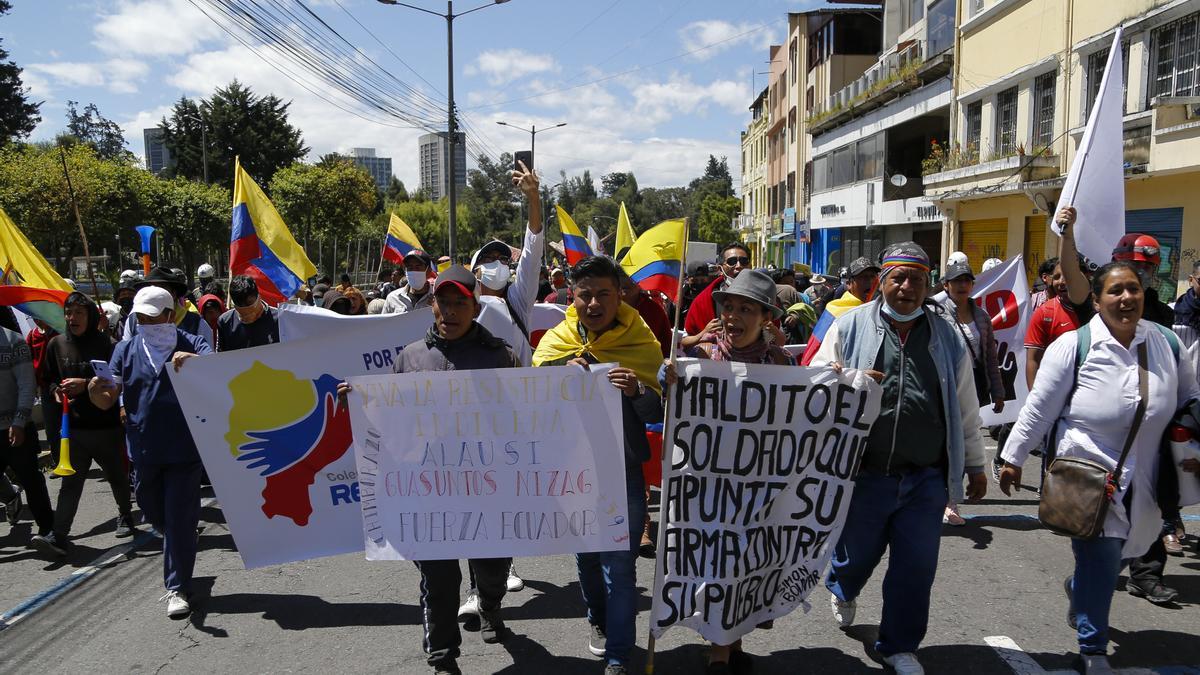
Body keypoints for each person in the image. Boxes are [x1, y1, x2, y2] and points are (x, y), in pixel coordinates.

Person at [999, 261, 1199, 674]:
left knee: (1136, 545)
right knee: (1102, 557)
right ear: (1096, 300)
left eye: (1133, 289)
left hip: (1150, 476)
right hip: (1091, 474)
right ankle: (1092, 648)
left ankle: (1081, 589)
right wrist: (1013, 457)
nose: (1126, 298)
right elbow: (1039, 409)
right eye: (1115, 291)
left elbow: (1189, 398)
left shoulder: (1166, 342)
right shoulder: (1074, 346)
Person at [811, 241, 987, 675]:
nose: (907, 288)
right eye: (898, 278)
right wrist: (840, 381)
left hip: (926, 478)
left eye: (918, 280)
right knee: (856, 557)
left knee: (916, 567)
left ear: (929, 285)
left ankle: (898, 645)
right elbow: (814, 383)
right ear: (881, 282)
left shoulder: (946, 336)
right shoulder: (848, 326)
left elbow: (964, 405)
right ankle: (842, 584)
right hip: (864, 475)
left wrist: (977, 464)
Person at [340, 265, 519, 675]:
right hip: (428, 491)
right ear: (432, 305)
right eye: (444, 302)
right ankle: (442, 658)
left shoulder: (499, 356)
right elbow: (391, 418)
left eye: (461, 303)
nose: (451, 312)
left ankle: (489, 605)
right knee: (438, 582)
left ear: (475, 307)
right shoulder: (410, 357)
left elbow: (523, 418)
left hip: (485, 487)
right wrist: (365, 399)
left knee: (492, 567)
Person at [532, 256, 663, 675]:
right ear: (573, 296)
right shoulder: (557, 339)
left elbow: (656, 407)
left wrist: (637, 389)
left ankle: (620, 655)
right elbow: (530, 393)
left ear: (618, 295)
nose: (594, 303)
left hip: (621, 471)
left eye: (603, 294)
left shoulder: (640, 339)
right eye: (585, 295)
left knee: (619, 568)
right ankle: (600, 622)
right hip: (572, 472)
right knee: (588, 561)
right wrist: (557, 372)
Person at [662, 269, 793, 675]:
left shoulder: (780, 362)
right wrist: (665, 376)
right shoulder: (702, 356)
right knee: (718, 563)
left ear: (765, 318)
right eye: (729, 307)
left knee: (746, 565)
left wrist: (846, 387)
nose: (733, 315)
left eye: (746, 309)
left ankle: (730, 640)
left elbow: (802, 411)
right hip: (709, 485)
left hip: (759, 484)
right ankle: (721, 650)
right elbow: (671, 401)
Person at [1057, 206, 1185, 600]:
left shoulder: (1163, 314)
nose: (1139, 280)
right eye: (1132, 268)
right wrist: (1067, 234)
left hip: (1154, 429)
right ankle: (1087, 583)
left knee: (1154, 503)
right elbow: (1075, 280)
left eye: (1146, 271)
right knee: (1103, 519)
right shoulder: (1097, 300)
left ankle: (1146, 574)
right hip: (1105, 439)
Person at [89, 286, 212, 619]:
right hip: (143, 450)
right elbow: (107, 396)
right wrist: (95, 391)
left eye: (151, 316)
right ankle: (181, 539)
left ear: (169, 316)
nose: (144, 322)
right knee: (153, 511)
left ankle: (177, 585)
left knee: (177, 517)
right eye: (139, 317)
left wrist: (197, 364)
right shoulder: (125, 350)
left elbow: (218, 373)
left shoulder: (193, 343)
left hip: (185, 450)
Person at [32, 292, 135, 558]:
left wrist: (84, 383)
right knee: (70, 485)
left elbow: (115, 378)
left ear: (90, 316)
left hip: (107, 426)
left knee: (117, 478)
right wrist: (56, 390)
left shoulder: (107, 344)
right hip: (75, 430)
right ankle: (59, 535)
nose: (72, 318)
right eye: (69, 313)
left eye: (79, 313)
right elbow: (48, 378)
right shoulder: (56, 345)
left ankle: (126, 515)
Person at [938, 261, 1005, 526]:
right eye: (956, 281)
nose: (962, 285)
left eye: (966, 281)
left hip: (974, 384)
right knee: (947, 441)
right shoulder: (938, 314)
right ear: (946, 286)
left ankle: (952, 497)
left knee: (968, 436)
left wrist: (998, 391)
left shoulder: (982, 317)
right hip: (945, 385)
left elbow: (990, 357)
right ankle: (947, 501)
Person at [0, 305, 55, 548]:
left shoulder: (14, 342)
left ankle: (49, 530)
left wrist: (19, 422)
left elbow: (26, 385)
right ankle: (11, 497)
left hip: (14, 428)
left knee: (31, 479)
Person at [798, 256, 880, 365]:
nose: (870, 282)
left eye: (873, 276)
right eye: (863, 277)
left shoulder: (879, 310)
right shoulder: (836, 312)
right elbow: (816, 352)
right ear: (849, 284)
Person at [124, 268, 214, 350]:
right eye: (150, 289)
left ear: (174, 294)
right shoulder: (132, 321)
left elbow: (208, 362)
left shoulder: (197, 324)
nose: (154, 294)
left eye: (161, 289)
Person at [683, 243, 750, 336]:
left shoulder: (763, 296)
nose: (738, 266)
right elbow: (687, 339)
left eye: (744, 261)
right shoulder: (703, 300)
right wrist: (704, 334)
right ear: (720, 268)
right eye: (732, 261)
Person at [617, 267, 670, 358]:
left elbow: (666, 347)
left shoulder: (654, 311)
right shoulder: (606, 307)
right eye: (622, 275)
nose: (626, 280)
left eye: (633, 275)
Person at [216, 276, 280, 351]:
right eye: (240, 305)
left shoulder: (279, 319)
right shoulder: (225, 322)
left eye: (249, 303)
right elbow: (220, 356)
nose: (246, 308)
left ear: (258, 296)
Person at [383, 250, 435, 314]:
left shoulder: (438, 298)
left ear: (428, 271)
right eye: (409, 267)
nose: (413, 271)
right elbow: (385, 323)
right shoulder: (392, 298)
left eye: (418, 267)